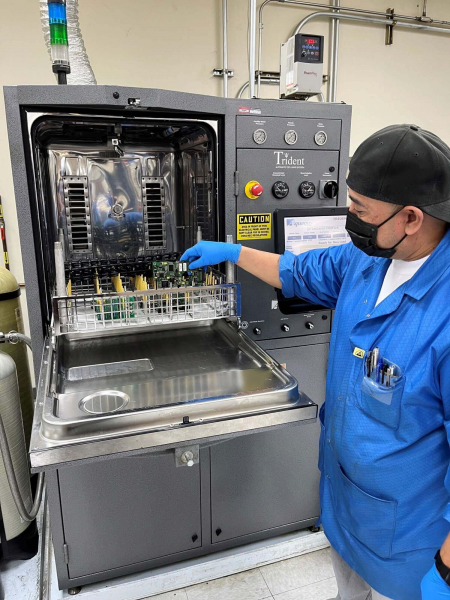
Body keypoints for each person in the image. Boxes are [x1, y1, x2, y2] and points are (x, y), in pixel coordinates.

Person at [181, 125, 450, 600]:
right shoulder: (368, 258)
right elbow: (297, 273)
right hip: (348, 504)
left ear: (411, 217)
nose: (349, 216)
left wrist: (446, 572)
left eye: (360, 209)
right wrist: (233, 250)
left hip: (411, 537)